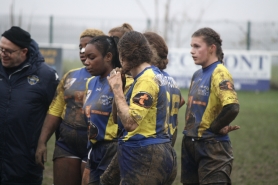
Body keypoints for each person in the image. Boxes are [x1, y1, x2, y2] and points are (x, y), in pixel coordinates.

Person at [35, 28, 105, 185]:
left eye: (87, 46)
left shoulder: (111, 78)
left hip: (95, 146)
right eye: (80, 46)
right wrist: (42, 142)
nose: (82, 50)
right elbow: (55, 110)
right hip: (67, 145)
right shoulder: (70, 76)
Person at [107, 31, 177, 185]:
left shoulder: (147, 80)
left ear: (123, 56)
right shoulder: (153, 75)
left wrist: (117, 90)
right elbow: (117, 120)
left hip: (146, 156)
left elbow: (130, 123)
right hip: (155, 152)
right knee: (107, 180)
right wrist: (121, 89)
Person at [0, 26, 59, 185]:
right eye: (1, 49)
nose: (3, 54)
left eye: (8, 51)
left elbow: (58, 113)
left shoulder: (45, 76)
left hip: (25, 164)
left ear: (24, 52)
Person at [181, 27, 240, 185]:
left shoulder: (219, 72)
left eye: (197, 46)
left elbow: (232, 106)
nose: (192, 51)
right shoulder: (198, 74)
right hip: (191, 144)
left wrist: (214, 128)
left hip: (212, 147)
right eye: (191, 46)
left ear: (212, 48)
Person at [82, 35, 124, 185]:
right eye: (85, 57)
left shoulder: (124, 81)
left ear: (108, 56)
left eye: (91, 57)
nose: (86, 62)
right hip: (94, 148)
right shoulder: (90, 82)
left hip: (114, 149)